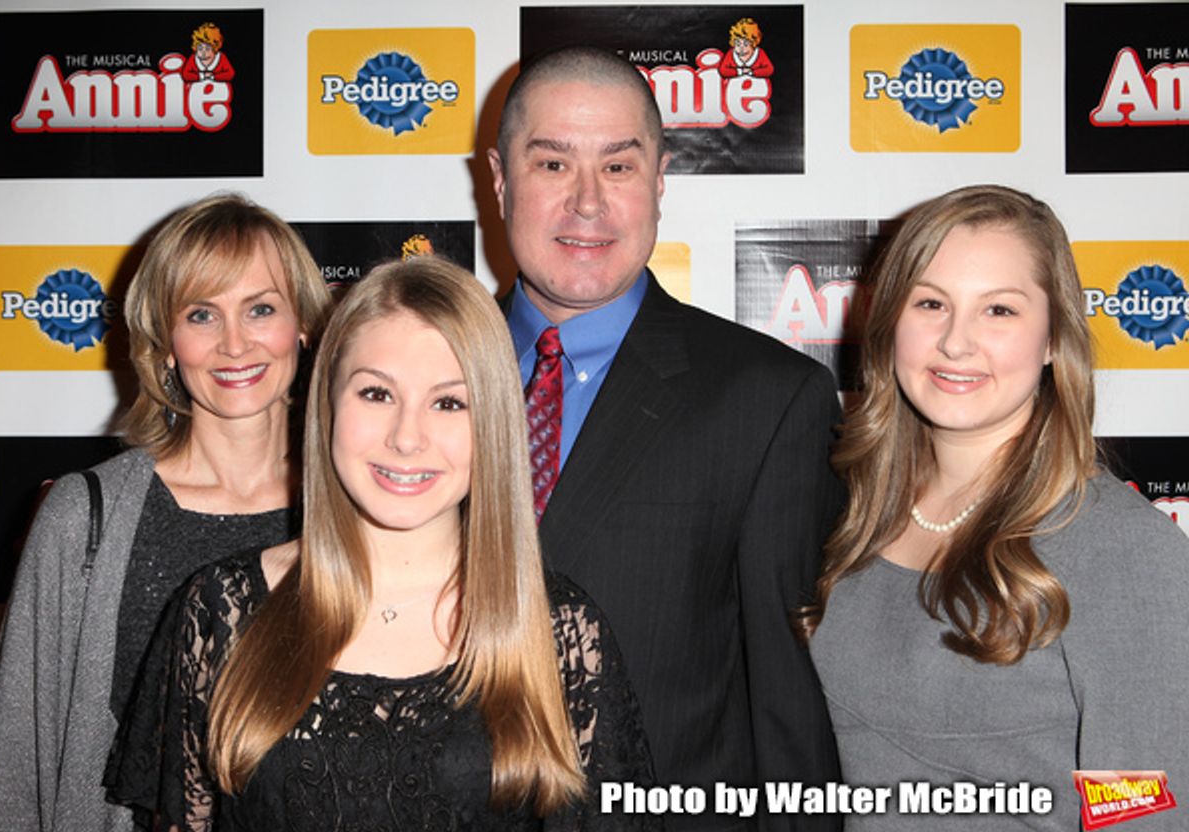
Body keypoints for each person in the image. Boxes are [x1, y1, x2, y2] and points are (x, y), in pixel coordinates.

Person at [105, 258, 658, 830]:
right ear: (329, 407)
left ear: (491, 424)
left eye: (448, 402)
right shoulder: (220, 611)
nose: (407, 437)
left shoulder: (560, 632)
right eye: (376, 394)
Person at [487, 46, 842, 831]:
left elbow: (787, 705)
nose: (587, 203)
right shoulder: (408, 376)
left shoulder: (766, 399)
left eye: (618, 166)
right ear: (501, 177)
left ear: (659, 181)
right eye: (551, 164)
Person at [800, 185, 1189, 830]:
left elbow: (1147, 815)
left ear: (1051, 340)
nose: (956, 342)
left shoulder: (1121, 549)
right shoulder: (851, 514)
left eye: (999, 311)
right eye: (931, 303)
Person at [0, 193, 331, 832]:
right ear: (166, 343)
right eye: (202, 314)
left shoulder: (357, 511)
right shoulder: (81, 516)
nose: (235, 343)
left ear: (303, 327)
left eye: (261, 309)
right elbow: (14, 762)